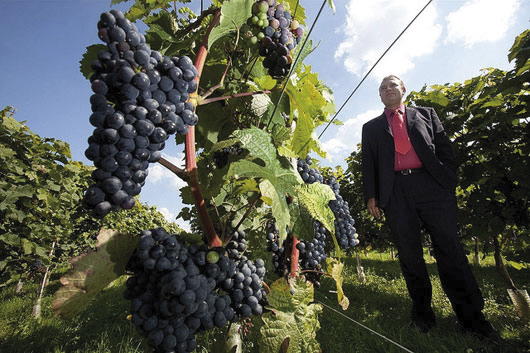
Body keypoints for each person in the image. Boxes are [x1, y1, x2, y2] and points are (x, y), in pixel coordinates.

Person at [361, 75, 498, 340]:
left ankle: (473, 318)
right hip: (396, 192)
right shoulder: (371, 127)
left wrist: (447, 180)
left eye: (393, 85)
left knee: (451, 250)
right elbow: (369, 164)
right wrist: (371, 197)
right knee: (409, 256)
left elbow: (444, 147)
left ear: (403, 90)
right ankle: (422, 315)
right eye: (383, 87)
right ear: (380, 96)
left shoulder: (426, 114)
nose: (388, 89)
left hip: (432, 187)